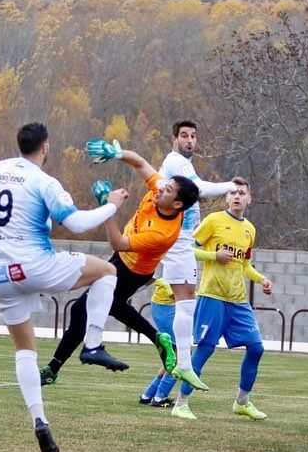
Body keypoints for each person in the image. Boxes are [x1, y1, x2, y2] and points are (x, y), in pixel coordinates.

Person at [0, 122, 129, 452]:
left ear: (19, 144)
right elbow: (77, 223)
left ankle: (39, 419)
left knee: (25, 349)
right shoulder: (43, 181)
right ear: (45, 148)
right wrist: (112, 205)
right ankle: (92, 344)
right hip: (36, 266)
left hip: (2, 275)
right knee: (107, 271)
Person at [40, 139, 200, 391]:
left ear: (178, 204)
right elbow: (141, 162)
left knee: (87, 308)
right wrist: (116, 153)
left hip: (133, 271)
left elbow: (117, 242)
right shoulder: (162, 191)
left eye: (167, 191)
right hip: (121, 262)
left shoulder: (162, 233)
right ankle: (156, 339)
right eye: (164, 185)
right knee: (95, 308)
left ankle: (55, 367)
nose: (160, 190)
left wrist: (108, 206)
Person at [170, 177, 274, 421]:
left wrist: (261, 280)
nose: (237, 196)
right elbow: (188, 249)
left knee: (256, 348)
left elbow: (244, 265)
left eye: (242, 193)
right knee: (205, 349)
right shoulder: (214, 220)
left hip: (237, 299)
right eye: (233, 192)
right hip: (212, 296)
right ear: (227, 197)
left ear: (249, 199)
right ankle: (181, 403)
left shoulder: (250, 229)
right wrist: (214, 255)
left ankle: (242, 402)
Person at [159, 120, 238, 390]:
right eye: (184, 136)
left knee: (184, 298)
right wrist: (230, 185)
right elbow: (200, 188)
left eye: (193, 136)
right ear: (174, 139)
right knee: (185, 298)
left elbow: (194, 192)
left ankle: (181, 362)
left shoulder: (179, 165)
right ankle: (183, 363)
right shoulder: (177, 162)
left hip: (176, 235)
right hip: (178, 237)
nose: (189, 140)